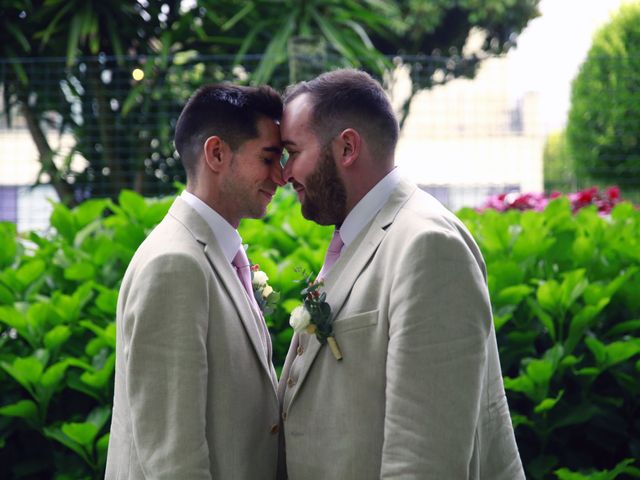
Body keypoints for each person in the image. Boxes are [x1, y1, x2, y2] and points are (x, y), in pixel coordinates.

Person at [277, 69, 525, 479]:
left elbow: (424, 460)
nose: (285, 173)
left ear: (347, 148)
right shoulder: (360, 233)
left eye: (293, 152)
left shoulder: (428, 247)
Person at [105, 84, 285, 479]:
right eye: (269, 158)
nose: (282, 176)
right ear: (217, 153)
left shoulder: (209, 253)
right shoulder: (175, 264)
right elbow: (173, 457)